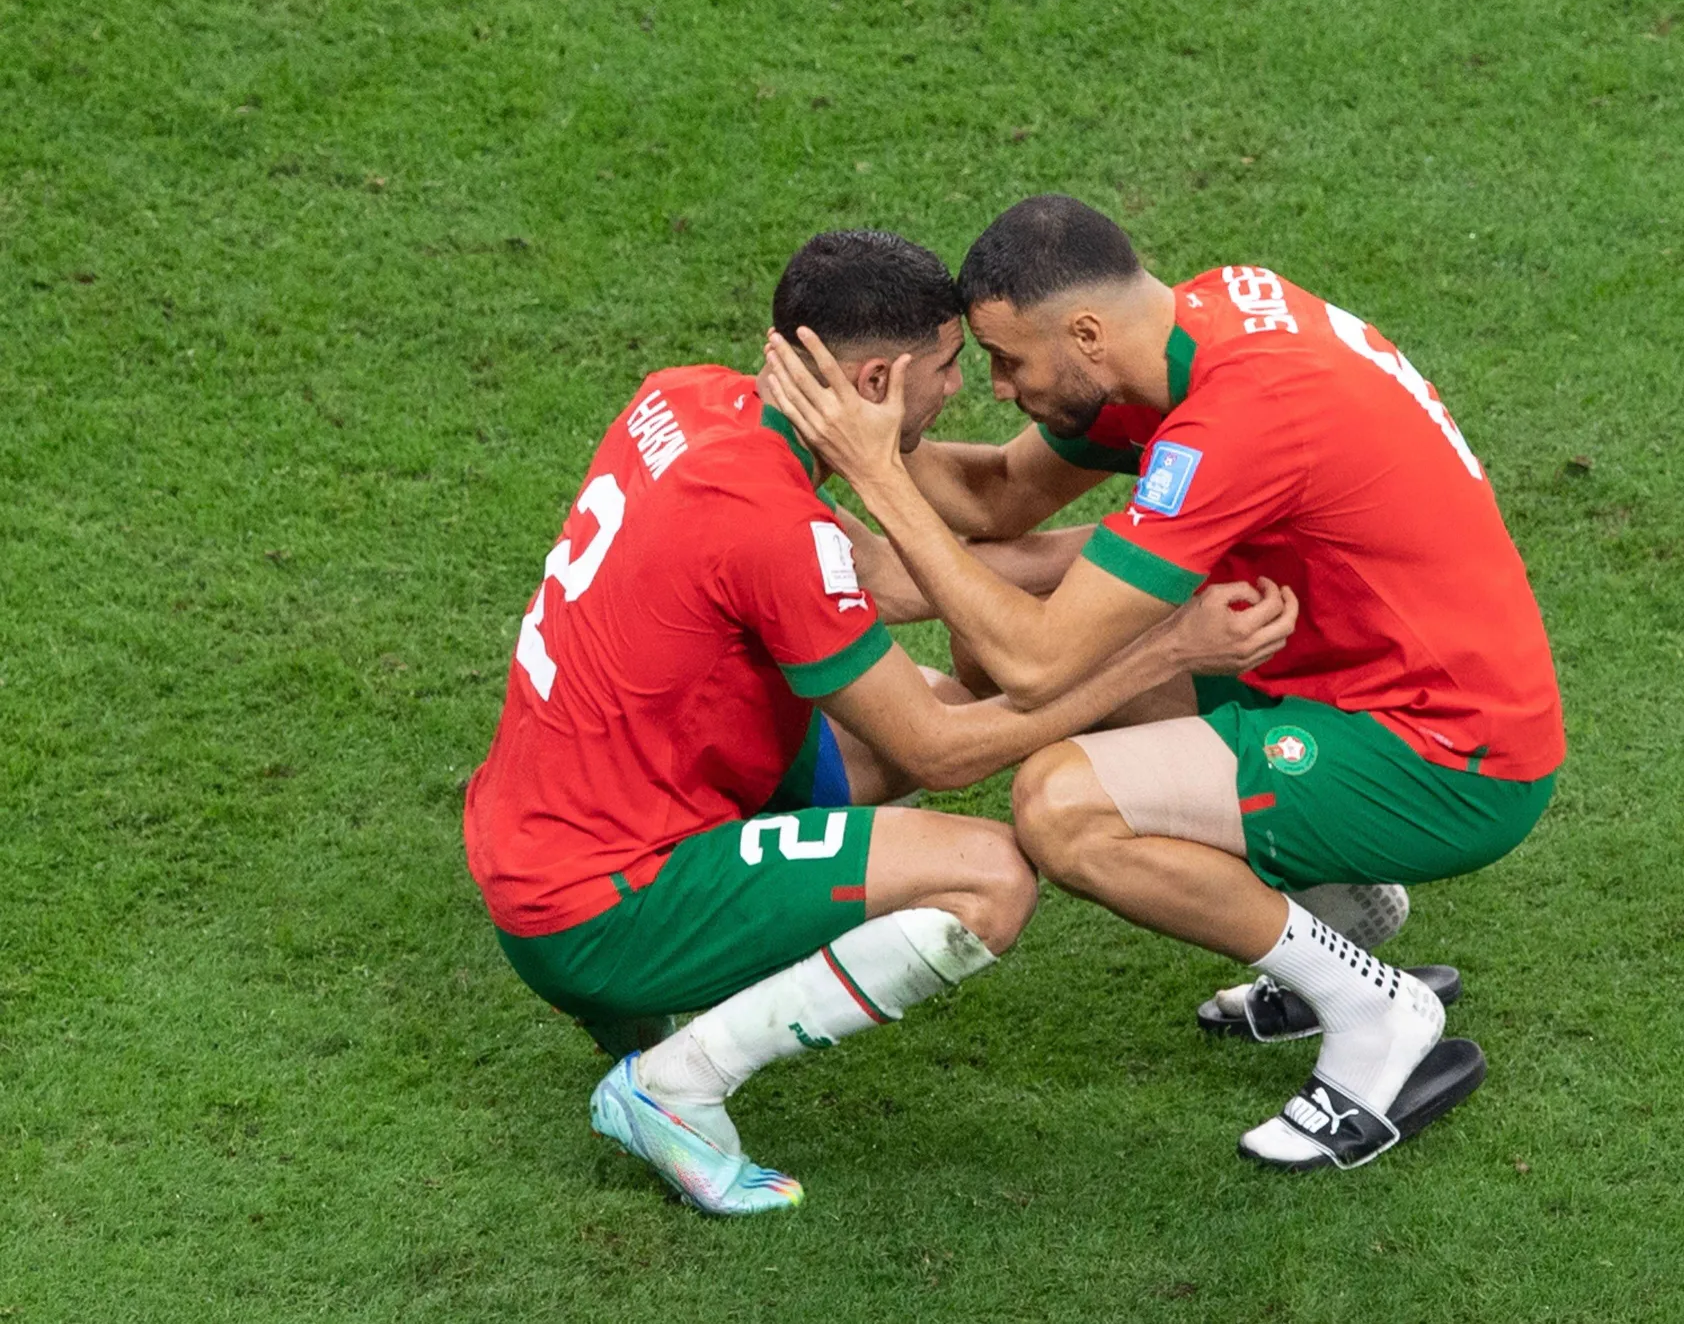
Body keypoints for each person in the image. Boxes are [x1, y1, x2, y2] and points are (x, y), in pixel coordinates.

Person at [462, 229, 1296, 1216]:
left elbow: (891, 583)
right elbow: (938, 757)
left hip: (544, 831)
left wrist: (1139, 551)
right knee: (987, 876)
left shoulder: (682, 398)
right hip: (598, 904)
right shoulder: (771, 527)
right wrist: (1161, 649)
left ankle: (640, 1017)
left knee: (940, 690)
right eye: (947, 367)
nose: (966, 388)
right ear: (871, 381)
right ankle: (671, 1086)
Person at [760, 196, 1564, 1171]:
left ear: (1085, 332)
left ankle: (1377, 1013)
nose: (1002, 389)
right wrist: (873, 425)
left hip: (1448, 759)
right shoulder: (1195, 324)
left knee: (1058, 806)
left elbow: (1037, 659)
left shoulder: (1237, 418)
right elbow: (994, 499)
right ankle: (1338, 905)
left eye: (1010, 361)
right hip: (1350, 684)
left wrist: (877, 489)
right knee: (999, 653)